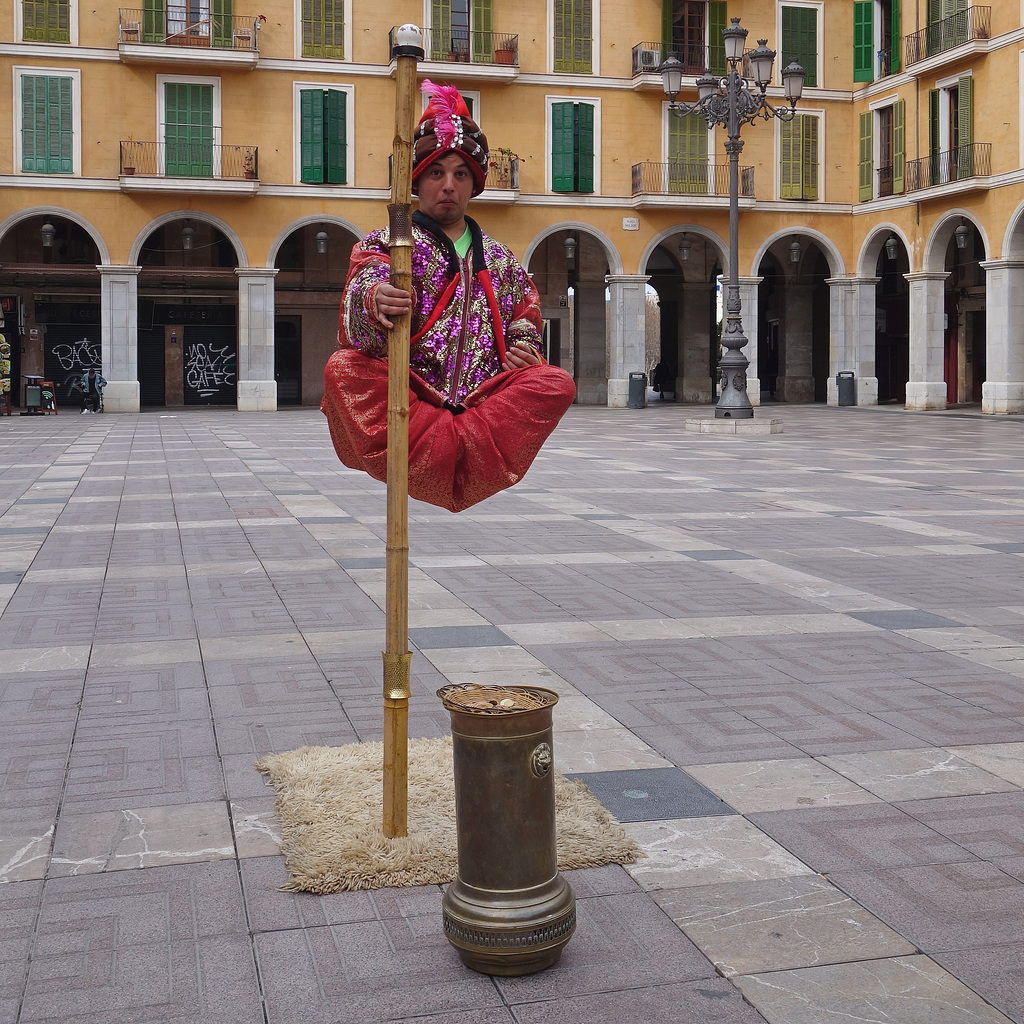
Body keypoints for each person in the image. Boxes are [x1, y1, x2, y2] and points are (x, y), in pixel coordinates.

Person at [321, 81, 576, 513]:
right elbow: (362, 294)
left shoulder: (499, 257)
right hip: (413, 393)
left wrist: (525, 348)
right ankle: (438, 450)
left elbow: (525, 310)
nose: (448, 186)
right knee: (341, 369)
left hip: (482, 398)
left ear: (473, 184)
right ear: (418, 182)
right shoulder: (389, 243)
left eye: (460, 174)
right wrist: (375, 299)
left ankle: (459, 446)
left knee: (556, 382)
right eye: (437, 173)